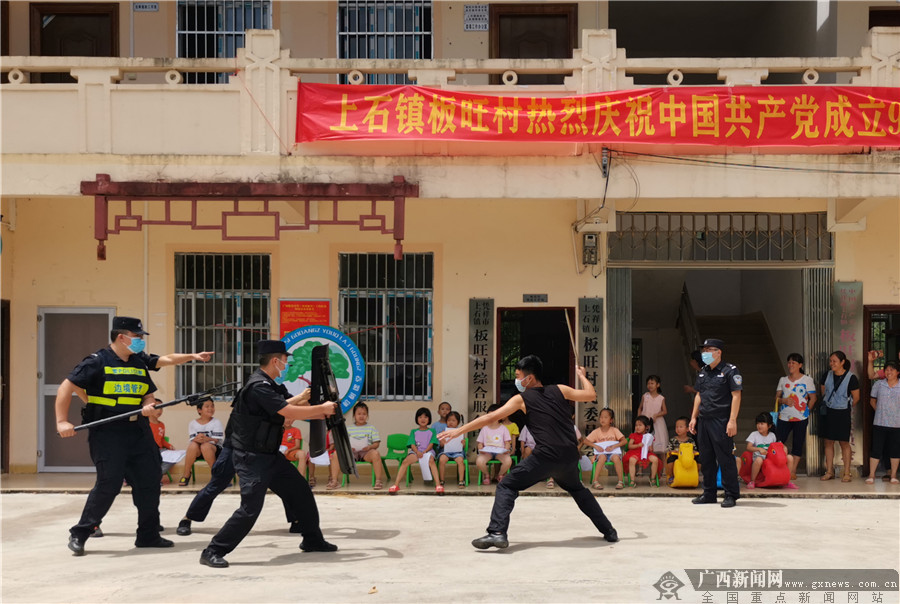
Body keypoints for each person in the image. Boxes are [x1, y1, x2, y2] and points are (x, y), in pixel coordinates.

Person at [438, 355, 618, 549]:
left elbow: (491, 416)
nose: (517, 380)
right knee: (578, 490)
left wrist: (458, 431)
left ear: (529, 378)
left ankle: (497, 532)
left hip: (546, 456)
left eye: (518, 376)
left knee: (506, 485)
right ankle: (609, 531)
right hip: (569, 455)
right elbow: (591, 395)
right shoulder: (561, 389)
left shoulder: (521, 399)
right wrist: (582, 376)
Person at [199, 339, 339, 568]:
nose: (287, 365)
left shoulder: (271, 385)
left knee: (301, 492)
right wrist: (322, 409)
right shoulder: (258, 386)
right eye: (285, 361)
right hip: (251, 458)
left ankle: (312, 539)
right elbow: (287, 410)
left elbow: (286, 410)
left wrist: (320, 413)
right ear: (275, 361)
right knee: (251, 508)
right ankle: (213, 550)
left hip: (270, 455)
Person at [55, 316, 173, 556]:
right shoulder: (97, 361)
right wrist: (61, 421)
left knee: (150, 481)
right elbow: (65, 387)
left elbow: (148, 393)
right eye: (137, 337)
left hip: (138, 431)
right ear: (122, 336)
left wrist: (149, 406)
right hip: (108, 433)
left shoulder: (138, 362)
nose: (140, 341)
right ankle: (81, 533)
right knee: (109, 483)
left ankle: (148, 535)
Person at [689, 337, 742, 508]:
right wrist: (693, 417)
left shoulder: (730, 371)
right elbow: (698, 395)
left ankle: (730, 494)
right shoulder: (703, 372)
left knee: (725, 458)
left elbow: (736, 395)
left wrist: (732, 420)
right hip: (704, 419)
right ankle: (709, 493)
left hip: (721, 420)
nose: (705, 353)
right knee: (706, 458)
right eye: (704, 350)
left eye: (709, 350)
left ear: (719, 352)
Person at [817, 350, 860, 482]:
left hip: (842, 413)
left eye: (834, 361)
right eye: (830, 361)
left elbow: (856, 397)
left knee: (844, 442)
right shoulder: (827, 375)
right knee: (828, 442)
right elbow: (823, 391)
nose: (832, 363)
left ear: (842, 362)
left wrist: (844, 406)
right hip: (828, 412)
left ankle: (847, 473)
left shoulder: (851, 377)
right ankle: (829, 471)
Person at [774, 353, 817, 480]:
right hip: (784, 417)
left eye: (793, 362)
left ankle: (792, 471)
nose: (790, 365)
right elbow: (777, 398)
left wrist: (806, 411)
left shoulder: (807, 380)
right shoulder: (783, 380)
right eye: (789, 362)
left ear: (800, 365)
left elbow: (813, 398)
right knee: (778, 442)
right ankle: (779, 468)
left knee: (798, 443)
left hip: (801, 418)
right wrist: (784, 401)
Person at [388, 407, 442, 494]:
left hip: (428, 452)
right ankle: (396, 485)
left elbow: (432, 443)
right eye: (420, 417)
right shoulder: (413, 431)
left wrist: (424, 452)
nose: (423, 419)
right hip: (416, 452)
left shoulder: (432, 431)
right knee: (405, 462)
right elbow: (412, 444)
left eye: (425, 417)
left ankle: (438, 485)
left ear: (429, 419)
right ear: (417, 419)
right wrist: (417, 452)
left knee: (431, 461)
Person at [866, 360, 900, 485]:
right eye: (887, 370)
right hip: (879, 422)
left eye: (892, 369)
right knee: (876, 449)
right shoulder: (879, 384)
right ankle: (871, 475)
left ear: (897, 372)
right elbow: (872, 401)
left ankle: (894, 475)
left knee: (895, 450)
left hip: (897, 424)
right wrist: (880, 411)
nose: (888, 372)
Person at [179, 399, 223, 486]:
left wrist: (206, 438)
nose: (210, 408)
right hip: (198, 450)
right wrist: (198, 439)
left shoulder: (216, 422)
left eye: (212, 406)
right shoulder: (193, 423)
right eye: (207, 406)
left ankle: (216, 476)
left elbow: (217, 440)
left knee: (205, 446)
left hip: (214, 450)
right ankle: (186, 473)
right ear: (199, 410)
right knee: (193, 445)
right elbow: (193, 439)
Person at [346, 402, 386, 490]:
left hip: (366, 453)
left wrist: (370, 447)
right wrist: (349, 448)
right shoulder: (348, 428)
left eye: (364, 414)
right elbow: (344, 443)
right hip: (352, 453)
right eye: (359, 414)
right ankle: (333, 481)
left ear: (367, 415)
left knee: (376, 453)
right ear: (354, 416)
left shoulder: (371, 428)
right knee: (336, 454)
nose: (361, 416)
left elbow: (376, 443)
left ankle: (378, 481)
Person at [584, 407, 626, 490]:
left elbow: (624, 441)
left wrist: (613, 446)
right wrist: (596, 446)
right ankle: (595, 481)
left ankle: (621, 481)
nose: (603, 419)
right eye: (601, 417)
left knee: (616, 458)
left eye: (606, 417)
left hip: (613, 452)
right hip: (601, 453)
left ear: (611, 420)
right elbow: (586, 441)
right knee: (602, 457)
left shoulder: (614, 430)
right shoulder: (596, 431)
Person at [474, 403, 513, 485]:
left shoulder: (503, 428)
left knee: (508, 461)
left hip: (500, 452)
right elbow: (480, 443)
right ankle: (486, 475)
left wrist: (506, 450)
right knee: (479, 461)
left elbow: (507, 443)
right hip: (487, 452)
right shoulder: (484, 428)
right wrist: (480, 449)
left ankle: (500, 475)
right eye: (490, 415)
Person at [637, 375, 668, 459]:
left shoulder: (661, 398)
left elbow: (665, 411)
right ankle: (640, 468)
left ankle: (664, 469)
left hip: (657, 423)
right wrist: (639, 420)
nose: (650, 385)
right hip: (645, 422)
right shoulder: (645, 396)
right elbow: (640, 408)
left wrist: (656, 415)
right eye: (648, 383)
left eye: (652, 383)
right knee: (643, 444)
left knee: (659, 445)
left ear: (658, 385)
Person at [622, 415, 659, 487]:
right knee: (632, 460)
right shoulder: (633, 435)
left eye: (640, 425)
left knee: (655, 459)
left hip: (646, 453)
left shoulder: (649, 436)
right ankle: (632, 480)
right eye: (636, 425)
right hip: (634, 452)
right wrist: (638, 445)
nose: (637, 427)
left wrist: (650, 449)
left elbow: (651, 448)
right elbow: (630, 446)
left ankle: (652, 478)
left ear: (646, 427)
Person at [745, 413, 778, 488]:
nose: (759, 426)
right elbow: (749, 447)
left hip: (770, 458)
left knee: (789, 458)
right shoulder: (754, 434)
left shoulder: (772, 435)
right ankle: (752, 481)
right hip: (758, 457)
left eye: (762, 423)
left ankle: (786, 481)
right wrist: (759, 449)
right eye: (758, 423)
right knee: (759, 460)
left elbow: (775, 447)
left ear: (769, 426)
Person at [665, 416, 699, 484]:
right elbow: (669, 450)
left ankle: (694, 475)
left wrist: (693, 452)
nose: (678, 429)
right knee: (670, 460)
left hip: (688, 458)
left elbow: (695, 450)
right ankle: (672, 476)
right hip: (676, 457)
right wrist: (673, 451)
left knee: (699, 460)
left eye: (680, 427)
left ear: (687, 429)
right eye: (676, 427)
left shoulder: (690, 440)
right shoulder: (673, 440)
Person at [438, 411, 467, 488]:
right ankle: (442, 480)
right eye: (449, 420)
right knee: (442, 459)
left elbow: (463, 446)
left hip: (457, 452)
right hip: (446, 451)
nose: (451, 422)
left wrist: (463, 443)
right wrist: (442, 442)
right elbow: (441, 445)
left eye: (453, 420)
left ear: (458, 422)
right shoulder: (444, 432)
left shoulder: (460, 432)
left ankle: (461, 481)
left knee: (460, 460)